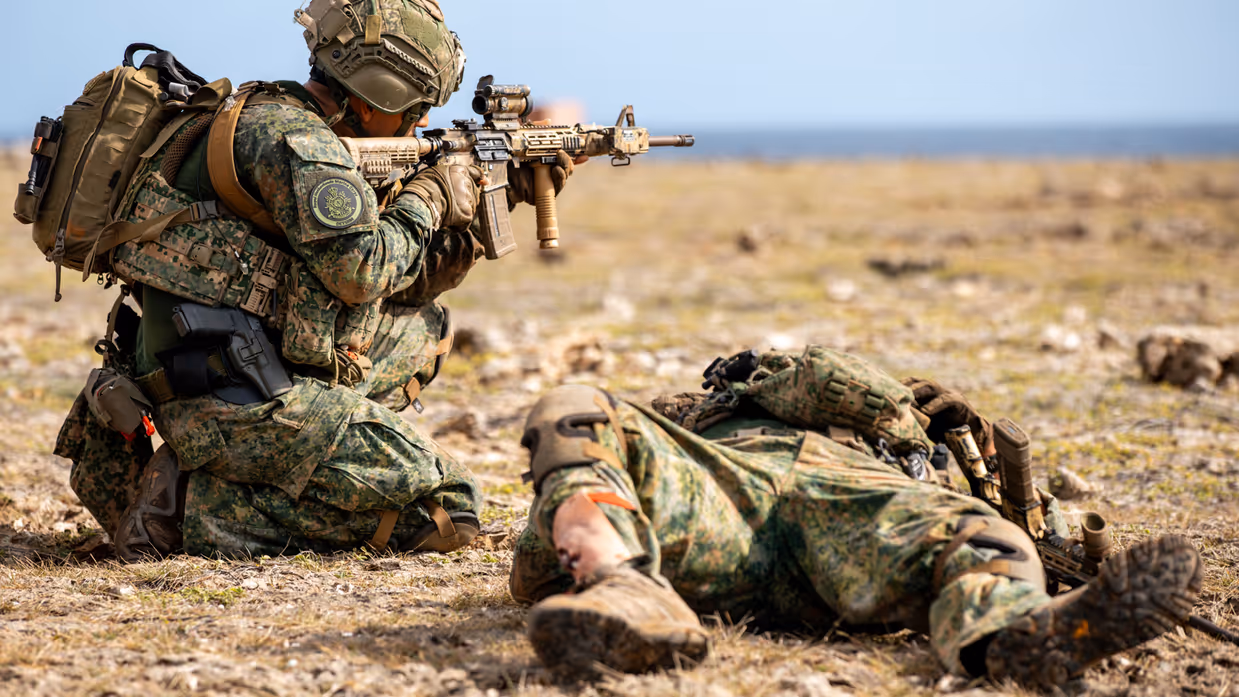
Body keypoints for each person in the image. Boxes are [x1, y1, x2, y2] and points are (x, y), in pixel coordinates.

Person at [57, 0, 577, 561]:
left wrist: (497, 198)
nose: (421, 124)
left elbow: (399, 286)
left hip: (234, 361)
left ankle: (286, 463)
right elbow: (362, 271)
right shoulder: (296, 142)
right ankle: (188, 511)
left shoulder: (280, 117)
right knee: (446, 512)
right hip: (229, 396)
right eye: (416, 107)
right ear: (373, 95)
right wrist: (429, 196)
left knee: (420, 330)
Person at [507, 346, 1203, 691]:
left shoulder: (909, 424)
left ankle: (1016, 634)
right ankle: (624, 589)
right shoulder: (690, 418)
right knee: (573, 404)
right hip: (715, 503)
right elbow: (580, 468)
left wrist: (936, 422)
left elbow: (1033, 525)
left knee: (975, 531)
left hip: (854, 505)